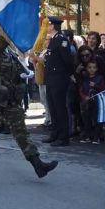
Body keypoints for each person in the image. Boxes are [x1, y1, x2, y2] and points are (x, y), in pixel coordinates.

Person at [0, 25, 57, 177]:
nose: (1, 37)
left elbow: (14, 69)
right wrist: (7, 26)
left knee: (21, 131)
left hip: (9, 97)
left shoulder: (8, 52)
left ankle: (37, 164)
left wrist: (24, 75)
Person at [42, 16, 74, 146]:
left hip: (59, 78)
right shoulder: (54, 40)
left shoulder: (61, 40)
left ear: (52, 26)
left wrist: (70, 74)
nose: (46, 27)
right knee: (53, 108)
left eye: (48, 25)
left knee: (60, 108)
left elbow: (67, 60)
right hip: (51, 78)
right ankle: (55, 133)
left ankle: (63, 137)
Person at [79, 59, 105, 144]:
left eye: (94, 67)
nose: (91, 69)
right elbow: (81, 90)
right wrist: (84, 97)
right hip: (86, 102)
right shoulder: (85, 78)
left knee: (96, 120)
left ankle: (97, 137)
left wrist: (96, 86)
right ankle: (87, 135)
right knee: (86, 119)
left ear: (97, 69)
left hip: (97, 102)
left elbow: (103, 90)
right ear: (87, 68)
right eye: (89, 67)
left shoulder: (100, 78)